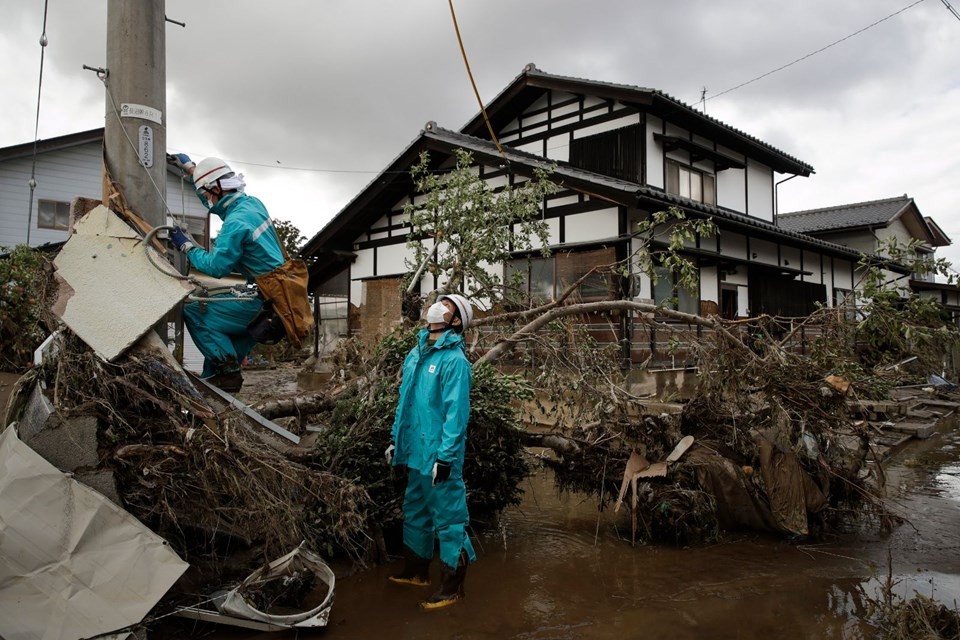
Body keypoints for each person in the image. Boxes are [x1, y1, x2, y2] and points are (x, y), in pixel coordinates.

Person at [385, 293, 477, 609]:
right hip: (414, 452)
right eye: (440, 302)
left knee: (449, 520)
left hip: (439, 457)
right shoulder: (416, 354)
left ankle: (452, 588)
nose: (438, 307)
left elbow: (456, 416)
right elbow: (405, 403)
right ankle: (416, 572)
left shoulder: (455, 362)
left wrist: (447, 458)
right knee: (415, 511)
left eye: (448, 306)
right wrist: (396, 439)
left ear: (456, 321)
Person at [166, 153, 285, 392]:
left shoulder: (235, 224)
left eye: (207, 193)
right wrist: (191, 170)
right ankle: (220, 400)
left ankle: (229, 374)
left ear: (216, 188)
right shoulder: (252, 204)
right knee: (217, 362)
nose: (207, 199)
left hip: (263, 302)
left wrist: (186, 246)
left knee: (193, 311)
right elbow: (218, 202)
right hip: (278, 301)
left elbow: (216, 267)